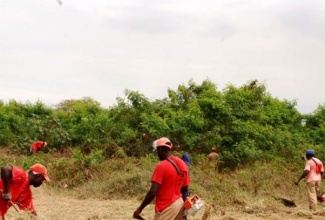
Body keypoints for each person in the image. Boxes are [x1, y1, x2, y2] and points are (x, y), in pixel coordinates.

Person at [133, 137, 190, 220]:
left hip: (166, 208)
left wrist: (140, 209)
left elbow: (152, 192)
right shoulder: (182, 164)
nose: (157, 153)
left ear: (160, 150)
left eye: (157, 151)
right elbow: (185, 189)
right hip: (179, 205)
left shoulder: (161, 166)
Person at [181, 153, 191, 220]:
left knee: (185, 210)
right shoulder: (179, 169)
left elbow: (186, 184)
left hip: (185, 192)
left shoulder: (187, 171)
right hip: (180, 192)